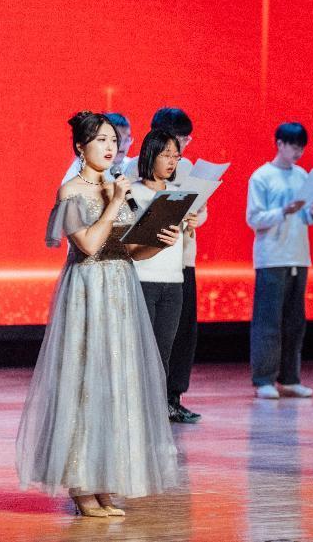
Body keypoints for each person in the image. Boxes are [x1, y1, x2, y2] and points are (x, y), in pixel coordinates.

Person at [16, 112, 178, 517]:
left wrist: (160, 240)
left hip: (121, 288)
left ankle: (104, 480)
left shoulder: (116, 185)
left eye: (114, 140)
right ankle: (81, 485)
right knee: (85, 380)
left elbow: (131, 250)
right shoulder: (71, 190)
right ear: (80, 146)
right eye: (102, 139)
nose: (110, 147)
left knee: (116, 382)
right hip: (88, 290)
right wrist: (115, 202)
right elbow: (88, 245)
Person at [246, 122, 313, 399]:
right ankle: (264, 379)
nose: (298, 152)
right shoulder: (262, 177)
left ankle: (290, 378)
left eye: (301, 147)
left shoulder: (302, 175)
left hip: (298, 256)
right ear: (279, 144)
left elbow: (307, 219)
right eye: (293, 146)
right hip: (271, 257)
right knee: (268, 321)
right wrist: (283, 211)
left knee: (294, 321)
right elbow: (254, 218)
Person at [130, 128, 199, 422]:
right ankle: (135, 412)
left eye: (176, 156)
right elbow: (130, 241)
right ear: (150, 155)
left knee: (163, 351)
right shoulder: (133, 192)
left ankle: (156, 413)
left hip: (173, 281)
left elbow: (180, 238)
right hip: (143, 279)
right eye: (166, 155)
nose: (172, 161)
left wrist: (189, 224)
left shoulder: (177, 193)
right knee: (139, 351)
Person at [150, 107, 207, 423]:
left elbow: (202, 209)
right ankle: (150, 399)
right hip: (149, 262)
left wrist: (196, 216)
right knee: (156, 335)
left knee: (184, 331)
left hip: (183, 259)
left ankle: (173, 397)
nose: (183, 146)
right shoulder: (134, 167)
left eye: (186, 140)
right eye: (180, 138)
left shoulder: (187, 169)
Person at [60, 112, 133, 185]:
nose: (122, 145)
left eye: (127, 139)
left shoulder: (131, 165)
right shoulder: (82, 165)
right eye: (116, 139)